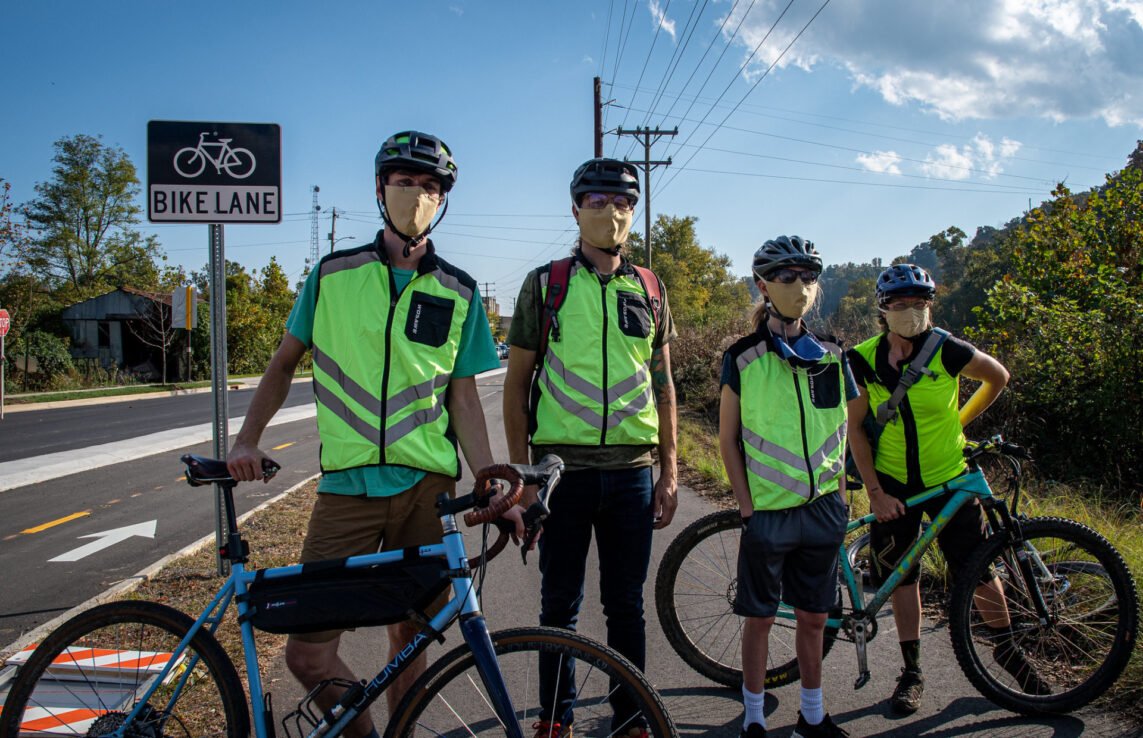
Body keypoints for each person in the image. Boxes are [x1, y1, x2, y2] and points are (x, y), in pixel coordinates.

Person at [227, 131, 500, 738]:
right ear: (380, 190)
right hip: (348, 491)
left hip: (428, 490)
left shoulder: (458, 290)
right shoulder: (333, 275)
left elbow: (462, 398)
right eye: (405, 182)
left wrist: (487, 477)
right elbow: (282, 363)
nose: (418, 195)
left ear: (443, 200)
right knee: (307, 654)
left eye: (430, 187)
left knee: (411, 640)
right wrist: (246, 439)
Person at [501, 157, 679, 738]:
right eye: (597, 203)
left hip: (632, 472)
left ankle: (630, 719)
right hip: (561, 474)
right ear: (575, 210)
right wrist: (526, 479)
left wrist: (670, 471)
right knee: (559, 609)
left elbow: (665, 385)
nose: (612, 213)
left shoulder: (650, 287)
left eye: (623, 203)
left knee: (626, 607)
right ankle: (557, 721)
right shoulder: (546, 283)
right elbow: (516, 385)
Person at [846, 263, 1048, 715]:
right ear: (883, 309)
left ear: (930, 306)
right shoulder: (861, 359)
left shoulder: (947, 350)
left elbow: (998, 377)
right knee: (902, 575)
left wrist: (959, 422)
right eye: (900, 305)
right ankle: (912, 671)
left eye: (919, 304)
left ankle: (1007, 651)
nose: (910, 312)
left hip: (950, 479)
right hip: (893, 484)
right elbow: (855, 428)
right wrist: (875, 493)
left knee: (978, 568)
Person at [720, 236, 854, 738]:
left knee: (814, 620)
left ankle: (812, 717)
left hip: (822, 511)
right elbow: (727, 439)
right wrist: (747, 508)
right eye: (786, 278)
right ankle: (754, 718)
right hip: (769, 514)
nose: (799, 288)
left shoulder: (832, 354)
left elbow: (842, 429)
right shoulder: (743, 356)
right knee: (758, 620)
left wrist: (841, 498)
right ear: (763, 285)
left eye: (808, 278)